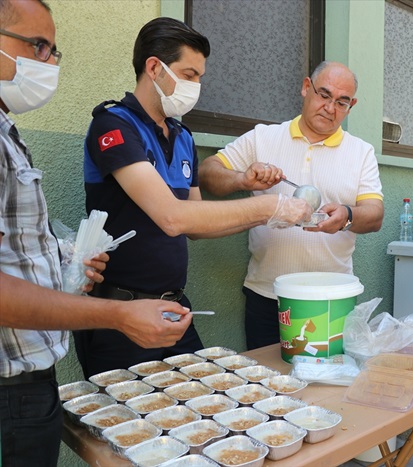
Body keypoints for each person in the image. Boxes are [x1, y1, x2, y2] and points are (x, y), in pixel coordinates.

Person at [0, 1, 194, 465]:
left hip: (33, 377)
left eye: (52, 51)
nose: (48, 62)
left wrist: (65, 261)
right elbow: (173, 217)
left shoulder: (8, 134)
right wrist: (116, 315)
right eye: (37, 46)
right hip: (18, 383)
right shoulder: (114, 124)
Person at [74, 17, 311, 377]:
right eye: (189, 74)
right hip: (120, 311)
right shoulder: (114, 125)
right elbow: (172, 217)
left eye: (200, 76)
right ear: (154, 67)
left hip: (173, 307)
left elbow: (196, 223)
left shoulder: (182, 137)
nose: (196, 86)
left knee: (200, 413)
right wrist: (270, 206)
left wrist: (258, 200)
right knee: (130, 426)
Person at [199, 61, 384, 350]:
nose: (330, 107)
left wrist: (347, 215)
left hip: (331, 298)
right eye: (323, 95)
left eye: (341, 102)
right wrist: (242, 180)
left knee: (324, 387)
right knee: (266, 387)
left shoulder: (361, 152)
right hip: (267, 293)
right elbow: (208, 173)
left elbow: (374, 216)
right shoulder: (264, 138)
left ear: (352, 105)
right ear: (306, 88)